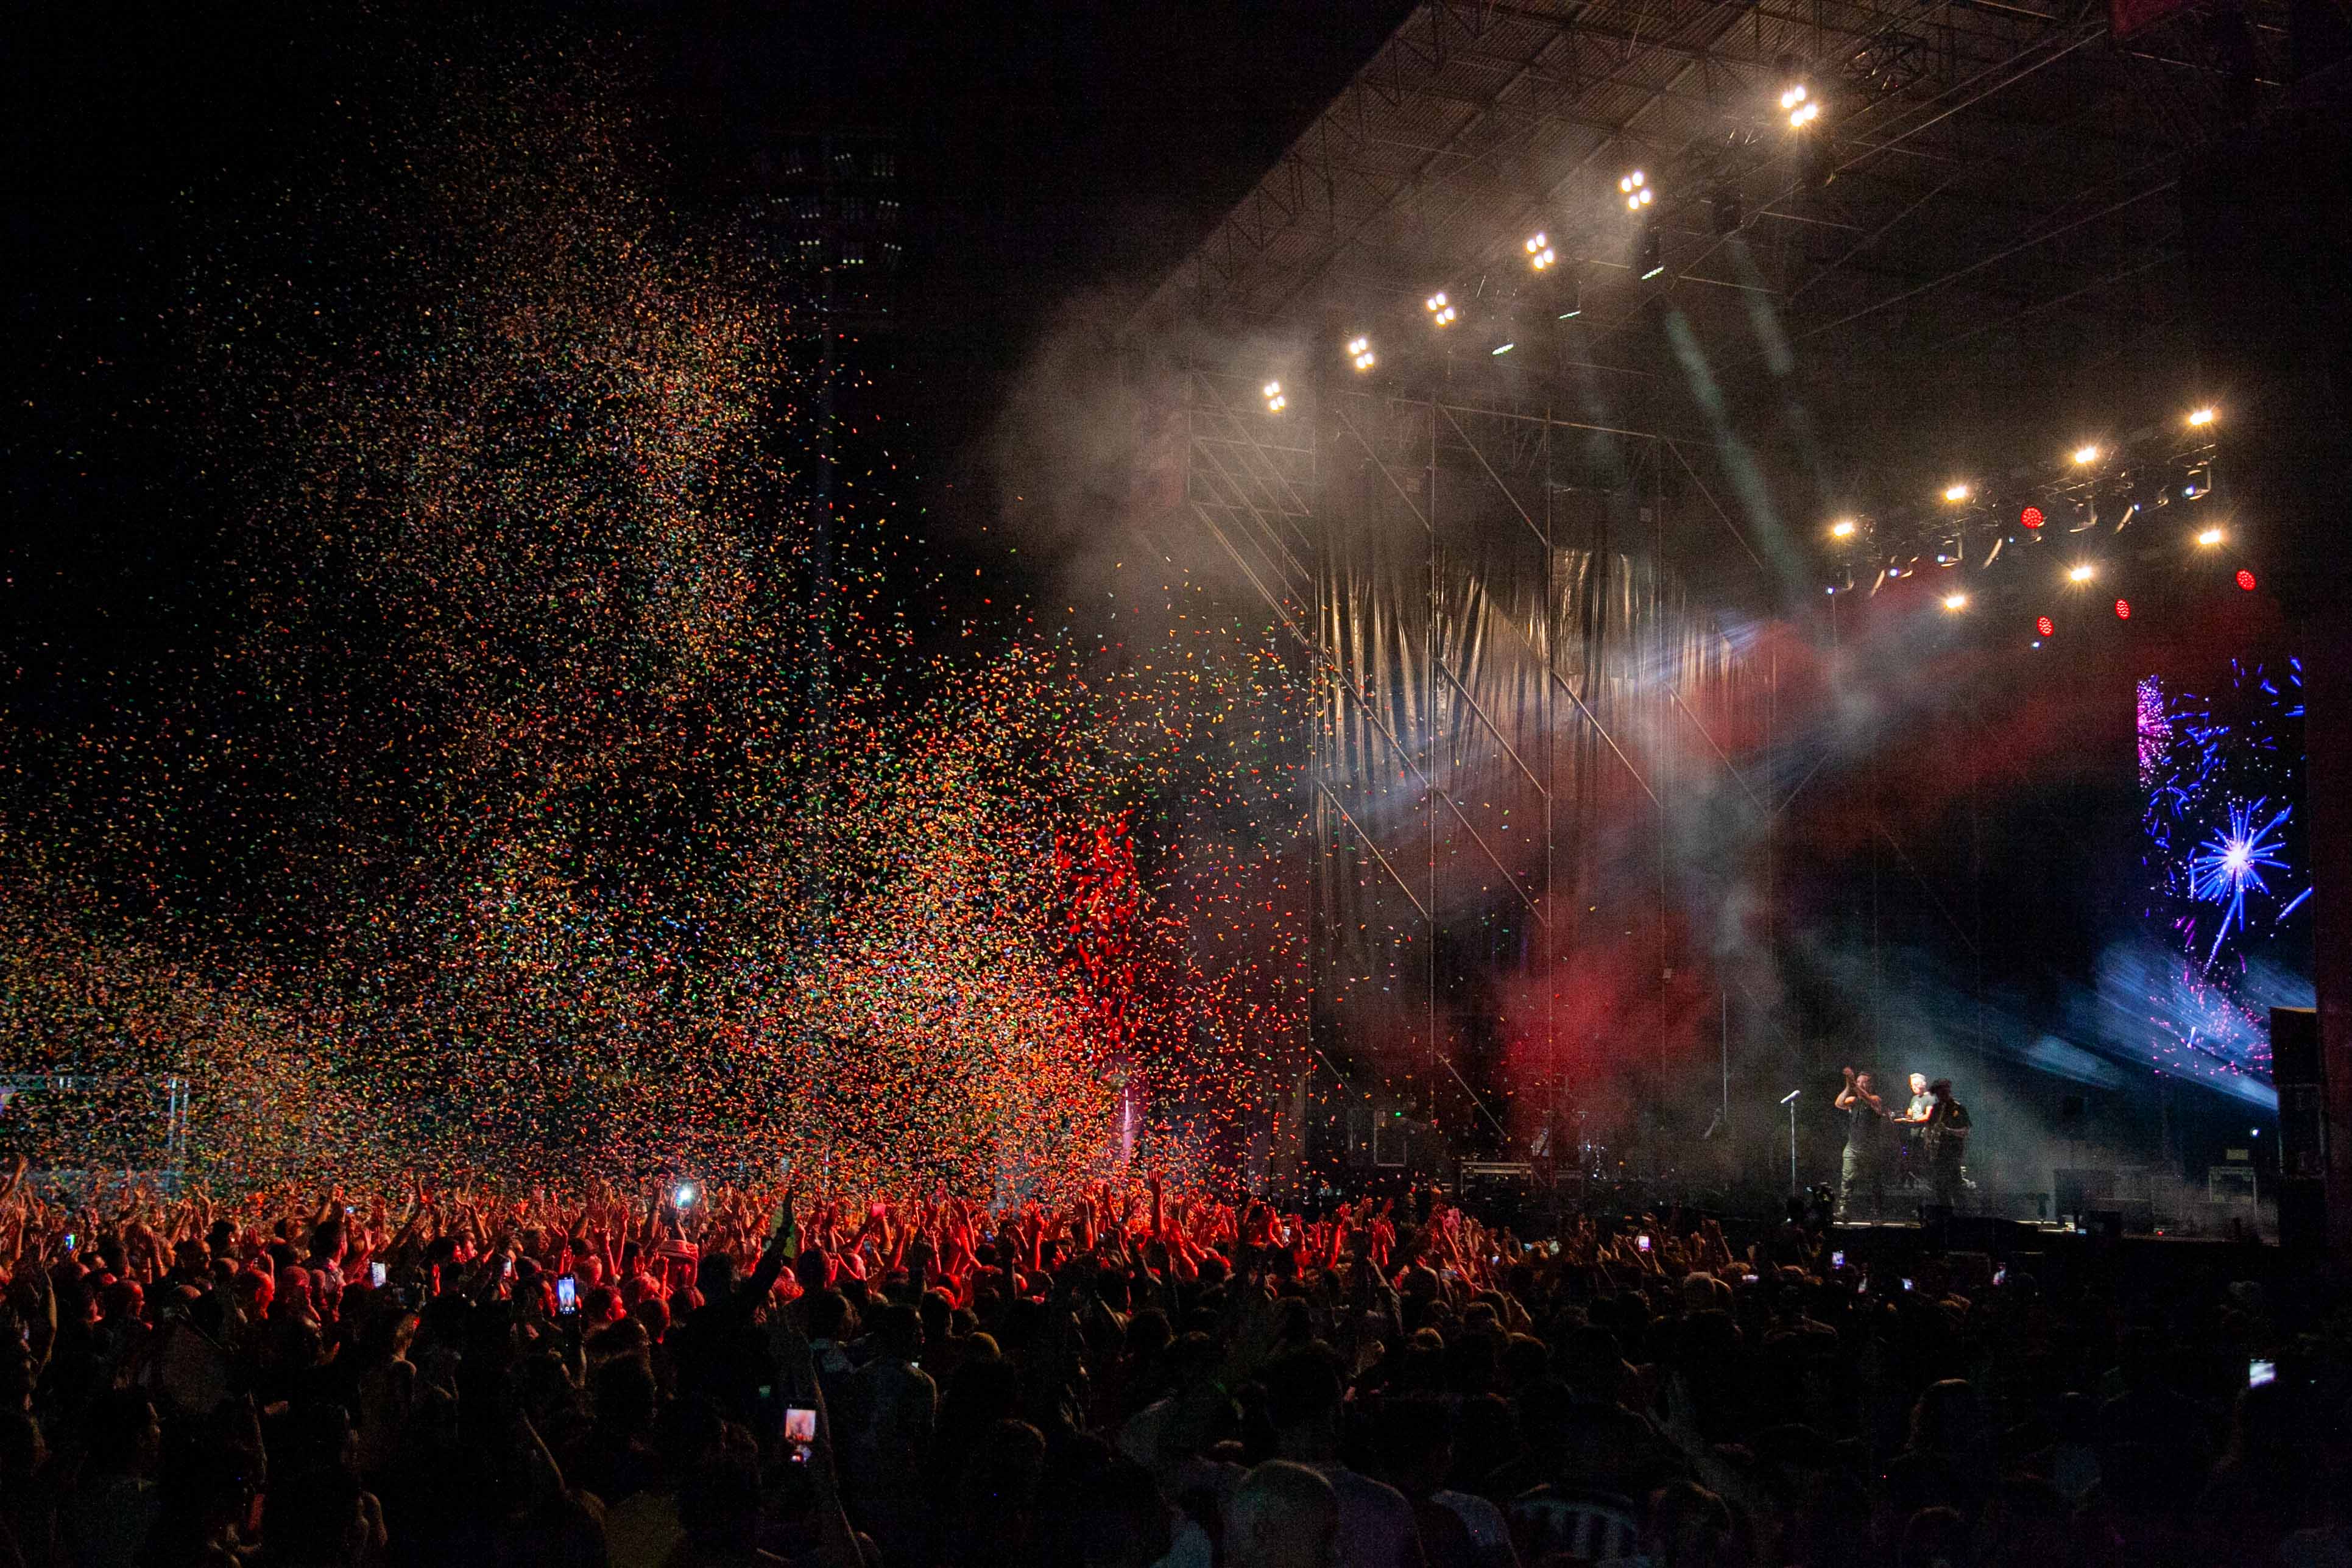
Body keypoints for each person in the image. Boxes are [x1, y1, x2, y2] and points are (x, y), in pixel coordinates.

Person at [1833, 1068, 1891, 1220]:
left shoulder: (1876, 1099)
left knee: (1874, 1180)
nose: (1860, 1085)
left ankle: (1878, 1211)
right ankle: (1844, 1210)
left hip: (1870, 1148)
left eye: (1863, 1083)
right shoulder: (1853, 1101)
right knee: (1848, 1178)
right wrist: (1848, 1086)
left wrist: (1854, 1084)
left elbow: (1871, 1101)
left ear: (1870, 1085)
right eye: (1858, 1082)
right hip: (1852, 1147)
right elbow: (1838, 1104)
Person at [1922, 1079, 1972, 1212]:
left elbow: (1966, 1131)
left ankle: (1962, 1215)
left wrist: (1948, 1130)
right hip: (1938, 1153)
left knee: (1955, 1186)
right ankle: (1945, 1215)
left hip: (1952, 1152)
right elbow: (1928, 1127)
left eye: (1943, 1092)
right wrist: (1928, 1141)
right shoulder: (1936, 1108)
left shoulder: (1958, 1108)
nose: (1940, 1096)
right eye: (1938, 1093)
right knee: (1939, 1187)